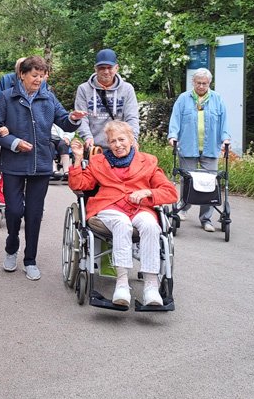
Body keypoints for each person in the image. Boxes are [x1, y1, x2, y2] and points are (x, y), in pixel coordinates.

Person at [0, 55, 86, 281]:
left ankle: (30, 259)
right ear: (22, 74)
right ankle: (11, 245)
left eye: (42, 76)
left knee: (33, 215)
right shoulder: (6, 97)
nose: (38, 80)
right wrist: (13, 142)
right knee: (13, 211)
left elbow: (63, 120)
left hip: (41, 164)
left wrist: (73, 117)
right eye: (34, 75)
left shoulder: (48, 97)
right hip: (13, 164)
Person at [68, 120, 177, 307]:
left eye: (121, 139)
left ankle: (151, 285)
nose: (117, 145)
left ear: (131, 139)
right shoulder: (98, 162)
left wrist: (148, 192)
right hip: (109, 207)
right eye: (112, 141)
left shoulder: (148, 161)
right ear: (108, 144)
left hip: (139, 208)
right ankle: (122, 283)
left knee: (151, 225)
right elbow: (79, 185)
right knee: (122, 223)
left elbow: (171, 192)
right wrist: (78, 159)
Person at [167, 67, 230, 232]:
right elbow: (175, 119)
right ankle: (183, 209)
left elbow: (224, 122)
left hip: (210, 148)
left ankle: (206, 219)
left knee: (210, 183)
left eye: (205, 83)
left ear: (209, 83)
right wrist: (172, 136)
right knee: (187, 180)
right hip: (188, 146)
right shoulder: (183, 99)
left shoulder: (217, 99)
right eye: (198, 83)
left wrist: (226, 138)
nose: (201, 86)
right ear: (193, 82)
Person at [74, 48, 140, 149]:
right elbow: (82, 118)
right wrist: (87, 137)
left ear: (117, 68)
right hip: (95, 148)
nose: (106, 71)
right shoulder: (83, 89)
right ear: (95, 69)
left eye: (110, 67)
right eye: (102, 68)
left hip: (120, 147)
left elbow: (132, 117)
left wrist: (133, 139)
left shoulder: (127, 89)